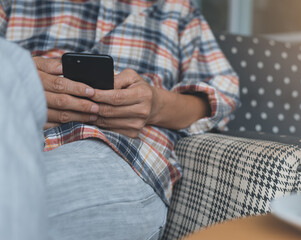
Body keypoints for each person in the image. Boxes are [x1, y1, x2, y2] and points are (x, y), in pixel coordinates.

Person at [0, 0, 239, 239]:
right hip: (14, 137)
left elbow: (222, 94)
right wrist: (22, 77)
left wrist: (156, 104)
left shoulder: (174, 8)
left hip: (118, 152)